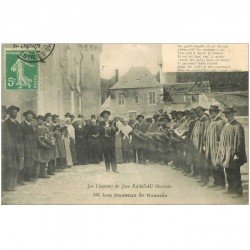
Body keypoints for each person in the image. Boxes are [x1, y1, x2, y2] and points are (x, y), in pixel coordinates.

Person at [216, 107, 247, 196]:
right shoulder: (226, 125)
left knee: (235, 172)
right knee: (227, 170)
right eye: (226, 114)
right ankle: (230, 189)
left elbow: (240, 141)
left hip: (234, 153)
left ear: (233, 114)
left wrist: (237, 153)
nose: (227, 115)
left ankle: (238, 191)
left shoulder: (237, 126)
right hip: (226, 153)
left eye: (228, 113)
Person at [2, 105, 24, 191]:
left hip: (17, 148)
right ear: (9, 113)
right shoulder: (6, 123)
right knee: (9, 166)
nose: (15, 114)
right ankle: (8, 185)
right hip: (9, 148)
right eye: (13, 112)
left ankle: (13, 183)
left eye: (16, 112)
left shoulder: (16, 123)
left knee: (15, 166)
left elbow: (19, 136)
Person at [204, 105, 226, 187]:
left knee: (218, 165)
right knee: (212, 165)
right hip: (210, 148)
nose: (209, 114)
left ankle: (221, 184)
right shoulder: (212, 121)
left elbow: (221, 137)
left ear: (215, 112)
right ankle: (216, 182)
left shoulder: (220, 122)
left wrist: (218, 148)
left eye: (211, 112)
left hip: (216, 148)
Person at [19, 110, 37, 182]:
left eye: (31, 116)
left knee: (31, 160)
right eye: (29, 116)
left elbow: (34, 135)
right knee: (25, 161)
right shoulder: (22, 125)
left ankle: (28, 177)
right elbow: (20, 137)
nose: (30, 117)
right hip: (25, 145)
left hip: (31, 145)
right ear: (25, 117)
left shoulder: (32, 125)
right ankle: (22, 178)